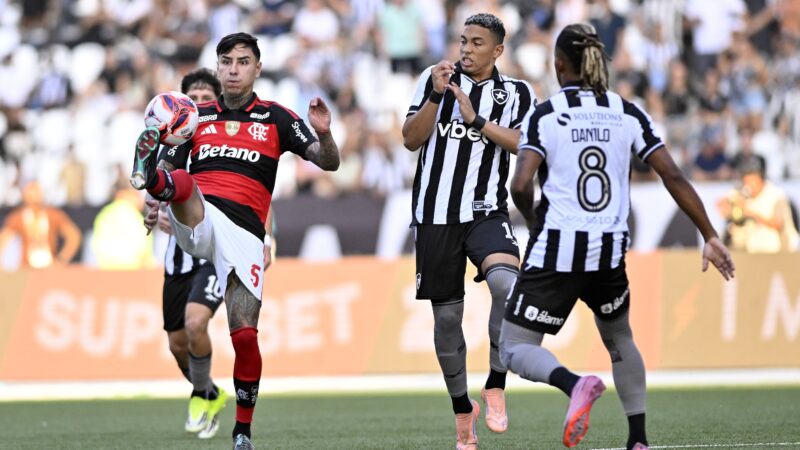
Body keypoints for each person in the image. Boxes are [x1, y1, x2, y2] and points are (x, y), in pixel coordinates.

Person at [500, 23, 735, 450]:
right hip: (609, 251)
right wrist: (709, 233)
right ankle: (639, 439)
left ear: (558, 65)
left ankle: (574, 384)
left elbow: (520, 184)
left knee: (513, 346)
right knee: (620, 338)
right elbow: (672, 174)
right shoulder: (627, 111)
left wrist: (535, 221)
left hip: (558, 248)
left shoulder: (547, 113)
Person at [131, 32, 339, 450]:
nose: (233, 68)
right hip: (202, 219)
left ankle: (242, 430)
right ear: (218, 65)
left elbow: (328, 162)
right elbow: (173, 175)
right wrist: (154, 200)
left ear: (257, 68)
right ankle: (144, 170)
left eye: (242, 61)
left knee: (244, 336)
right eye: (226, 61)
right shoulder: (193, 117)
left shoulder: (277, 118)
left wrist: (325, 133)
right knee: (184, 182)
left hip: (245, 236)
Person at [401, 13, 534, 450]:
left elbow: (525, 144)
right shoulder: (434, 77)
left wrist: (476, 120)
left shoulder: (515, 92)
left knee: (507, 287)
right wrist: (436, 98)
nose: (467, 49)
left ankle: (495, 383)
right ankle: (463, 410)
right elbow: (410, 138)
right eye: (463, 40)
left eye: (477, 42)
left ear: (498, 51)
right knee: (447, 320)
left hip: (485, 211)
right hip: (435, 217)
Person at [145, 68, 270, 440]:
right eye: (191, 98)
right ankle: (208, 392)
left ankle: (212, 402)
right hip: (180, 253)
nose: (197, 104)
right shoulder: (172, 143)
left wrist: (268, 240)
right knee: (177, 341)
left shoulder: (222, 135)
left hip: (221, 249)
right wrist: (153, 212)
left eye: (204, 98)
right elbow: (150, 197)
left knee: (196, 323)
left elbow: (256, 193)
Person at [716, 158, 799, 253]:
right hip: (752, 246)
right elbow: (721, 204)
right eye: (746, 182)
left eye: (751, 181)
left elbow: (778, 224)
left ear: (759, 179)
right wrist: (731, 207)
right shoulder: (743, 193)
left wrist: (751, 214)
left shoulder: (776, 195)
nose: (749, 186)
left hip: (779, 247)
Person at [0, 181, 82, 269]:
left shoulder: (53, 215)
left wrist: (62, 259)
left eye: (37, 193)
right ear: (24, 196)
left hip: (50, 268)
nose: (34, 197)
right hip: (26, 268)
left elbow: (74, 236)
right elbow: (3, 240)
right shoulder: (17, 217)